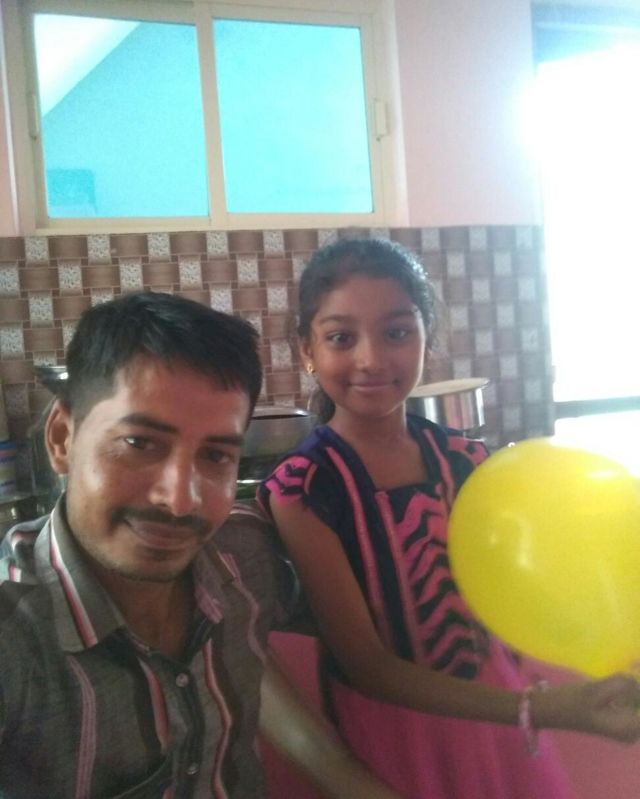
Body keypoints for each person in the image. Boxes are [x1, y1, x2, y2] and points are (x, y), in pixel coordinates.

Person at [258, 237, 640, 799]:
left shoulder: (469, 461)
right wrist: (541, 707)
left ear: (426, 338)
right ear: (307, 350)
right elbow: (367, 666)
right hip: (398, 737)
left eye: (397, 332)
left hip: (501, 714)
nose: (371, 359)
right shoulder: (305, 489)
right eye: (341, 337)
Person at [0, 290, 402, 799]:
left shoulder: (245, 560)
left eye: (215, 456)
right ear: (61, 437)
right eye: (139, 443)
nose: (179, 500)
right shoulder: (15, 637)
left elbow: (380, 634)